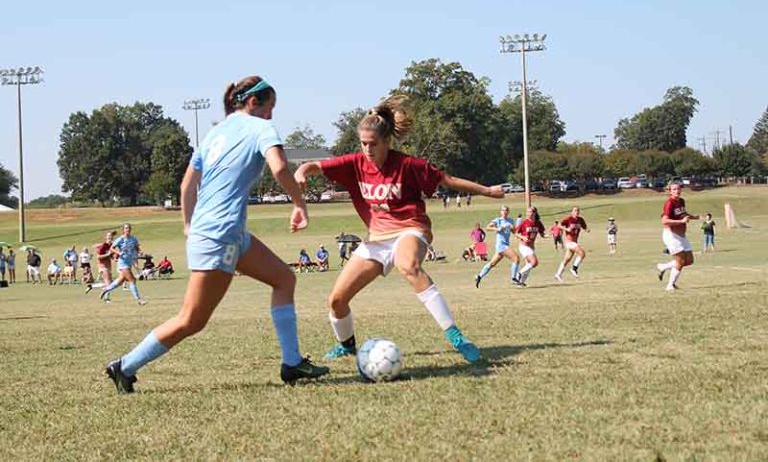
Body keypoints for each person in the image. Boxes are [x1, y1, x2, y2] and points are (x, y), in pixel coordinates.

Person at [104, 75, 328, 394]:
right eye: (270, 107)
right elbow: (279, 168)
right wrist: (300, 204)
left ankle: (292, 364)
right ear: (253, 102)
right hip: (221, 235)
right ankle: (124, 366)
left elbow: (186, 186)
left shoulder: (215, 133)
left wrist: (188, 226)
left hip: (223, 233)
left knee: (284, 279)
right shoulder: (261, 128)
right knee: (192, 319)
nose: (271, 115)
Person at [295, 95, 504, 364]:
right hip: (376, 240)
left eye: (373, 144)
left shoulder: (408, 165)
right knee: (336, 300)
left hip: (410, 228)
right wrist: (301, 173)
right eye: (363, 143)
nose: (367, 149)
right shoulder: (354, 163)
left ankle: (456, 336)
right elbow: (312, 166)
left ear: (386, 142)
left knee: (408, 266)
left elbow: (447, 180)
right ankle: (346, 345)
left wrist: (487, 191)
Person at [656, 182, 699, 291]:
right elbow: (664, 221)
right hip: (671, 235)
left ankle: (663, 267)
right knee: (680, 261)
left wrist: (694, 217)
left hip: (681, 236)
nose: (677, 191)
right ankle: (670, 285)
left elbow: (683, 214)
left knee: (689, 260)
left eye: (678, 189)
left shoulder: (681, 201)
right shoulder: (669, 203)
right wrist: (681, 221)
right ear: (670, 191)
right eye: (674, 189)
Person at [91, 223, 147, 305]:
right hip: (122, 263)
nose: (128, 229)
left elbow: (136, 247)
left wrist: (140, 251)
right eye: (126, 228)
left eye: (129, 228)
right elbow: (112, 248)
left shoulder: (133, 239)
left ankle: (106, 289)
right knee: (132, 280)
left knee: (120, 282)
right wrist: (118, 252)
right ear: (123, 230)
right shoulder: (120, 239)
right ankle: (138, 300)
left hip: (129, 262)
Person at [474, 206, 522, 287]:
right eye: (503, 210)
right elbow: (488, 227)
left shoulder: (510, 220)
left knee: (492, 264)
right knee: (516, 258)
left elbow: (514, 231)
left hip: (505, 244)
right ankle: (513, 278)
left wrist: (520, 235)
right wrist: (497, 228)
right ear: (500, 212)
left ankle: (479, 276)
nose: (505, 212)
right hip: (501, 245)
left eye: (506, 210)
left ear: (508, 212)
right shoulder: (498, 220)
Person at [554, 206, 590, 282]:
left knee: (567, 259)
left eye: (578, 210)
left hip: (574, 242)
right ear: (572, 212)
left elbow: (584, 226)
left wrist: (587, 229)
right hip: (569, 242)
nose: (576, 212)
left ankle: (558, 274)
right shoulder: (568, 219)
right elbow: (559, 225)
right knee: (582, 253)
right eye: (575, 210)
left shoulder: (580, 220)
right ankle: (574, 268)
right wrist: (566, 229)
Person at [514, 206, 547, 285]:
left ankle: (521, 282)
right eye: (527, 212)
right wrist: (523, 237)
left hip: (531, 247)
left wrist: (547, 235)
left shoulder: (538, 223)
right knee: (534, 262)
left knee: (529, 265)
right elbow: (516, 233)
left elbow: (542, 234)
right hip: (524, 246)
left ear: (535, 213)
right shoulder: (525, 222)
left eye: (530, 212)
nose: (528, 214)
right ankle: (519, 273)